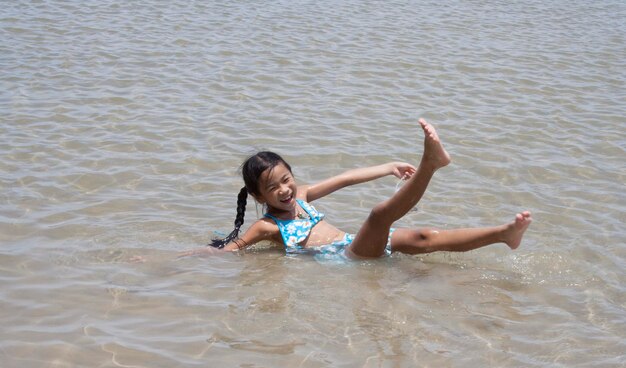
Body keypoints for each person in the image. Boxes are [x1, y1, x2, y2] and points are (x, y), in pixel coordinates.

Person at [183, 119, 532, 259]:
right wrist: (180, 258)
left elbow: (347, 178)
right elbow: (229, 251)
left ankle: (504, 234)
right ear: (259, 197)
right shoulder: (267, 226)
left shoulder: (302, 196)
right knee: (379, 214)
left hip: (356, 242)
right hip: (344, 259)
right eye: (273, 189)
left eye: (286, 180)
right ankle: (431, 163)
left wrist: (387, 168)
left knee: (425, 236)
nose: (285, 191)